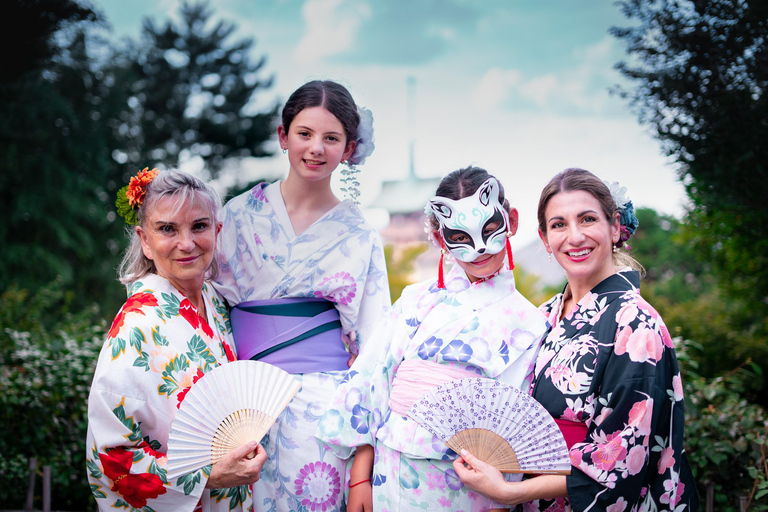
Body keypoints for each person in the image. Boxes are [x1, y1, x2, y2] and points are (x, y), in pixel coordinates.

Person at [453, 168, 699, 511]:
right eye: (559, 225)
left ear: (614, 227)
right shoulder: (544, 314)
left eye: (587, 219)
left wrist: (509, 493)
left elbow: (622, 457)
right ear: (544, 239)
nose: (575, 236)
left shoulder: (637, 323)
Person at [316, 166, 550, 512]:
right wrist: (360, 477)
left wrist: (500, 501)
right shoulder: (415, 300)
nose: (479, 248)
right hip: (391, 471)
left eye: (489, 229)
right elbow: (372, 381)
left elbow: (513, 420)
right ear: (442, 239)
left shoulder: (531, 322)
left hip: (472, 483)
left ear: (511, 221)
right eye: (459, 236)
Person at [213, 80, 391, 511]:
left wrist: (363, 467)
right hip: (239, 406)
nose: (316, 148)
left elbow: (376, 353)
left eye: (331, 138)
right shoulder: (236, 215)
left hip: (324, 414)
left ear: (349, 148)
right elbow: (210, 311)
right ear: (282, 136)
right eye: (304, 134)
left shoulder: (359, 235)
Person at [86, 169, 267, 511]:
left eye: (199, 226)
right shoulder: (135, 328)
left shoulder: (216, 301)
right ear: (144, 240)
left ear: (217, 231)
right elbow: (114, 460)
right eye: (167, 229)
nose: (186, 243)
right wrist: (207, 475)